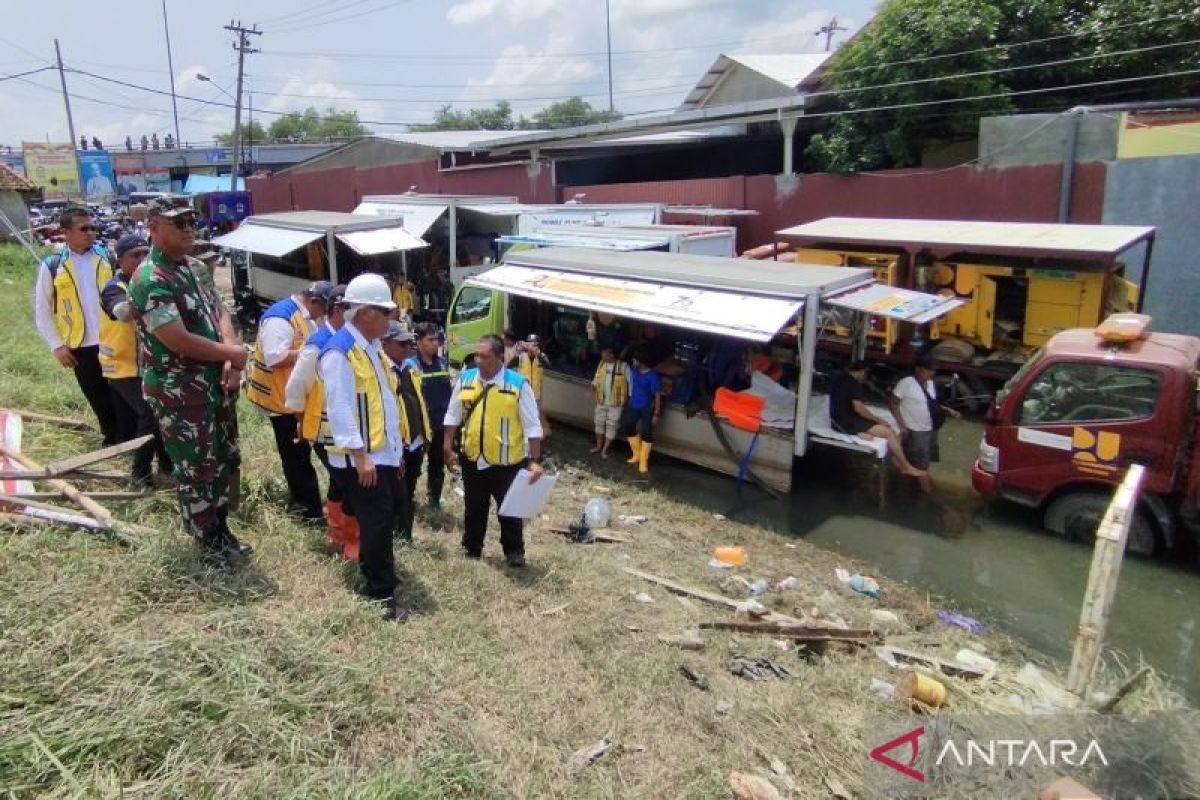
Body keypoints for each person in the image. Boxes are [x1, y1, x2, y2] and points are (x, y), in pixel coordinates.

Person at [129, 196, 249, 556]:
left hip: (214, 383)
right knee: (197, 468)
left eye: (191, 222)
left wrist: (230, 358)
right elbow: (176, 339)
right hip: (180, 391)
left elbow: (219, 311)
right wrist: (232, 355)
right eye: (177, 223)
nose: (188, 229)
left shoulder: (194, 268)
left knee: (224, 457)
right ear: (152, 228)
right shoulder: (150, 278)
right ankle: (208, 542)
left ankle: (221, 528)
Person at [319, 273, 411, 621]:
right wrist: (360, 456)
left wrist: (396, 453)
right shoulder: (340, 352)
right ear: (366, 313)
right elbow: (340, 408)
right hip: (361, 459)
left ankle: (379, 572)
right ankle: (380, 594)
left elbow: (384, 404)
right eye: (386, 312)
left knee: (386, 517)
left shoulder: (370, 349)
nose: (391, 319)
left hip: (380, 454)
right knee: (376, 521)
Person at [443, 334, 544, 568]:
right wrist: (447, 447)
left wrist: (535, 460)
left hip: (507, 462)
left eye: (484, 356)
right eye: (477, 355)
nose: (478, 360)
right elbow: (452, 415)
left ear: (501, 357)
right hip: (473, 458)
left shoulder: (518, 385)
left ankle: (514, 551)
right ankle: (471, 547)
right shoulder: (466, 379)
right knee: (473, 507)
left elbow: (532, 426)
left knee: (509, 509)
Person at [245, 281, 333, 523]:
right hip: (280, 401)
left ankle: (313, 504)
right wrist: (314, 351)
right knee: (297, 456)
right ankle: (310, 512)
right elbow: (275, 356)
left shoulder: (304, 316)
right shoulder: (280, 318)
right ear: (314, 301)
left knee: (305, 452)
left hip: (295, 397)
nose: (324, 316)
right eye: (324, 309)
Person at [32, 206, 120, 444]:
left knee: (122, 395)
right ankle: (113, 441)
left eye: (93, 227)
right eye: (84, 228)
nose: (90, 232)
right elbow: (42, 310)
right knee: (97, 397)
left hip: (113, 340)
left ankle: (131, 440)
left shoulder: (108, 258)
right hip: (80, 345)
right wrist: (57, 346)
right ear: (66, 232)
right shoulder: (52, 266)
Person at [285, 285, 354, 555]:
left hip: (347, 425)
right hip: (324, 429)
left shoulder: (354, 340)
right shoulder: (317, 344)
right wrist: (301, 420)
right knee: (348, 482)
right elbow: (296, 387)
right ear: (337, 310)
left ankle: (340, 535)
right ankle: (348, 540)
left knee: (340, 482)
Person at [99, 233, 172, 485]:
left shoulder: (149, 282)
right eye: (135, 255)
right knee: (149, 415)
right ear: (119, 261)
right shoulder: (114, 288)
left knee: (160, 415)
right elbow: (122, 312)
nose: (142, 259)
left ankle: (167, 466)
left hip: (146, 365)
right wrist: (152, 299)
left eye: (145, 253)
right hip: (122, 368)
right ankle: (140, 474)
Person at [381, 323, 432, 544]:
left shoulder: (409, 368)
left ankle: (404, 535)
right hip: (397, 445)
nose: (407, 347)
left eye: (409, 343)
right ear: (385, 344)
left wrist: (425, 435)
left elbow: (418, 403)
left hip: (416, 441)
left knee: (408, 491)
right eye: (401, 343)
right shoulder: (382, 372)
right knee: (395, 493)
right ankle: (392, 535)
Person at [829, 360, 925, 478]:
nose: (865, 376)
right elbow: (859, 408)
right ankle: (906, 467)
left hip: (837, 420)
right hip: (847, 422)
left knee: (884, 429)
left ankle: (898, 461)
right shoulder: (854, 384)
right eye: (865, 373)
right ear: (861, 371)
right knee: (889, 432)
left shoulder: (840, 378)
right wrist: (878, 419)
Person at [889, 357, 961, 491]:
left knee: (925, 460)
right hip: (915, 431)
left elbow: (932, 404)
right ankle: (926, 491)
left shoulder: (931, 384)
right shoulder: (906, 383)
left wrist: (949, 411)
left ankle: (916, 484)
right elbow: (893, 404)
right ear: (918, 369)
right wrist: (902, 425)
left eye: (933, 371)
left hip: (930, 429)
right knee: (919, 462)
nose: (931, 373)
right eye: (928, 370)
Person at [405, 321, 452, 509]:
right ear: (418, 342)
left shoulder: (442, 363)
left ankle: (434, 499)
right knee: (413, 465)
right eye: (430, 339)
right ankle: (408, 499)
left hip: (439, 424)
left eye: (437, 340)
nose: (435, 343)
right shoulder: (410, 365)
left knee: (437, 464)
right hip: (420, 426)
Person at [620, 349, 662, 475]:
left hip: (646, 407)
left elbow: (657, 395)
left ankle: (644, 461)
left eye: (635, 360)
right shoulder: (633, 369)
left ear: (642, 362)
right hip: (633, 404)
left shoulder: (653, 376)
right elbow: (623, 358)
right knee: (628, 426)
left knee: (646, 432)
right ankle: (637, 454)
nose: (633, 361)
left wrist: (657, 413)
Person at [591, 345, 630, 458]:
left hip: (616, 403)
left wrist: (629, 399)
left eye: (604, 353)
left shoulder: (624, 367)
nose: (602, 355)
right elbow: (596, 378)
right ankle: (598, 446)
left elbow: (630, 384)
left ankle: (604, 450)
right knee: (598, 423)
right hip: (601, 401)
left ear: (611, 355)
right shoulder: (602, 364)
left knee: (612, 426)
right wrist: (592, 388)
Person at [516, 333, 551, 437]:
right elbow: (508, 365)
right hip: (522, 394)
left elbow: (548, 366)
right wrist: (518, 348)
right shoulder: (520, 356)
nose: (532, 347)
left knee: (535, 421)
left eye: (535, 344)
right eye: (530, 344)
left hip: (536, 396)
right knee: (521, 418)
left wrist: (539, 354)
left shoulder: (541, 357)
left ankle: (535, 445)